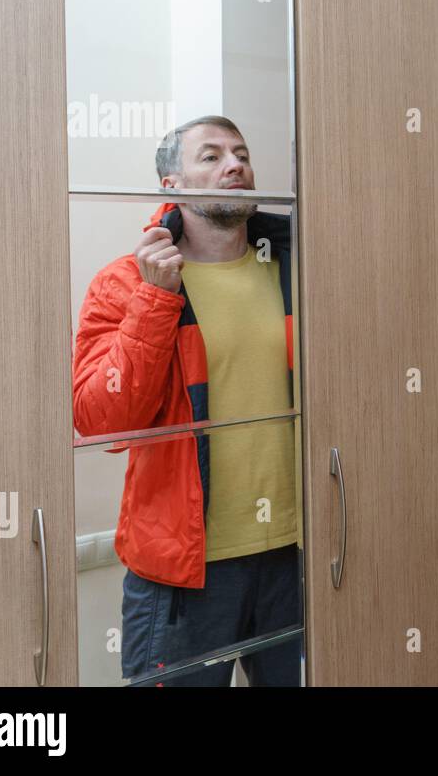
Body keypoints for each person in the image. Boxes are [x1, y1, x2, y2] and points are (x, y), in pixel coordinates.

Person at [73, 115, 302, 686]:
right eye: (212, 156)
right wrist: (156, 298)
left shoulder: (297, 268)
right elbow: (101, 422)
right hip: (183, 575)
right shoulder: (125, 282)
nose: (235, 165)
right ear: (171, 184)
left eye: (241, 153)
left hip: (295, 556)